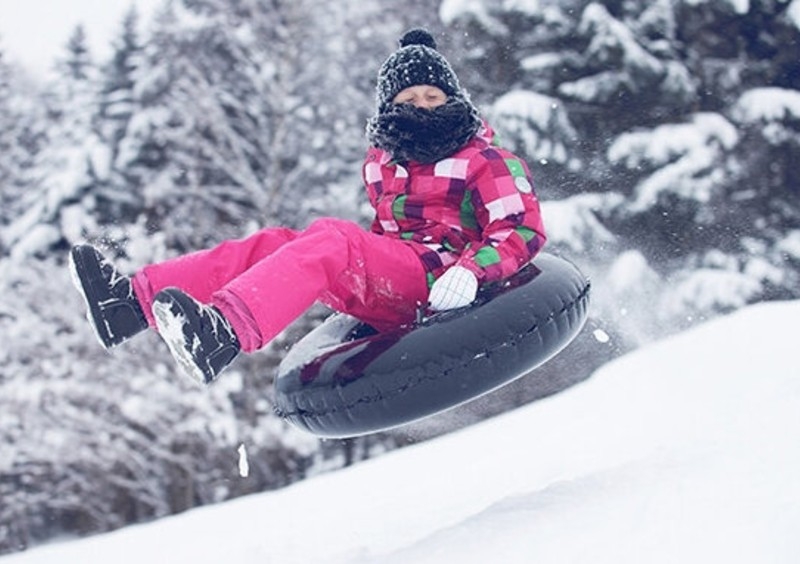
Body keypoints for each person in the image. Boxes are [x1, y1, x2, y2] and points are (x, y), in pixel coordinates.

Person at [69, 28, 546, 385]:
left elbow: (521, 229)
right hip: (399, 280)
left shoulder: (484, 160)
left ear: (452, 99)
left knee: (334, 237)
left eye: (432, 96)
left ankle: (224, 333)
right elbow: (386, 240)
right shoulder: (384, 164)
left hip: (443, 280)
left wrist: (471, 271)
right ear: (390, 109)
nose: (422, 105)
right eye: (409, 98)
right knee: (275, 242)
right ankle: (130, 304)